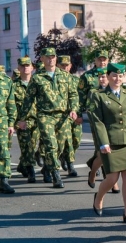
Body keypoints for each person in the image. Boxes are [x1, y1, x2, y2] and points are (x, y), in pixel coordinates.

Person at [17, 48, 79, 188]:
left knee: (60, 146)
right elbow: (28, 100)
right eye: (47, 57)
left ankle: (47, 168)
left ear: (55, 58)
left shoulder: (65, 76)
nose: (51, 59)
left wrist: (74, 109)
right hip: (45, 116)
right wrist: (22, 118)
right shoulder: (37, 78)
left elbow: (73, 95)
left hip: (63, 116)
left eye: (53, 56)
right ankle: (56, 175)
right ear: (42, 59)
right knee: (51, 145)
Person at [89, 63, 126, 223]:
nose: (118, 79)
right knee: (112, 179)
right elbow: (98, 122)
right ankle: (99, 198)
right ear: (108, 77)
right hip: (110, 142)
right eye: (115, 75)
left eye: (121, 75)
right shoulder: (99, 96)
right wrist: (103, 142)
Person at [13, 57, 38, 183]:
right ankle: (31, 171)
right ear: (18, 68)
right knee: (26, 147)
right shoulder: (14, 85)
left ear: (32, 67)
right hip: (22, 121)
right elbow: (11, 105)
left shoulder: (38, 82)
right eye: (22, 66)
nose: (25, 68)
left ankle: (22, 166)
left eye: (28, 65)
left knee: (32, 146)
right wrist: (14, 123)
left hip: (37, 120)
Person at [57, 55, 80, 177]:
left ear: (70, 66)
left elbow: (80, 97)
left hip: (74, 115)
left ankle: (64, 156)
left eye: (67, 65)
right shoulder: (55, 80)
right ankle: (71, 165)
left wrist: (78, 112)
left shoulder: (76, 80)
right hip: (61, 117)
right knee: (67, 141)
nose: (65, 68)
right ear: (58, 65)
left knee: (76, 139)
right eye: (62, 65)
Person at [0, 61, 14, 194]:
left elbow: (11, 104)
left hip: (1, 122)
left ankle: (4, 179)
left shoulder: (5, 81)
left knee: (3, 151)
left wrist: (11, 123)